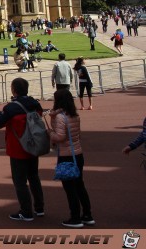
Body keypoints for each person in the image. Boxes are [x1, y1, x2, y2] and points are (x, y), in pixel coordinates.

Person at [0, 78, 45, 222]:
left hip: (18, 147)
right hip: (33, 144)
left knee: (20, 181)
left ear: (14, 90)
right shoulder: (35, 103)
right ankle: (39, 208)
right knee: (34, 177)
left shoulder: (11, 108)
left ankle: (26, 211)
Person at [49, 90, 94, 228]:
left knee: (70, 188)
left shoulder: (60, 117)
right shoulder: (74, 115)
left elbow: (60, 137)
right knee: (79, 185)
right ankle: (87, 214)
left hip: (66, 155)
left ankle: (75, 217)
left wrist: (50, 134)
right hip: (77, 153)